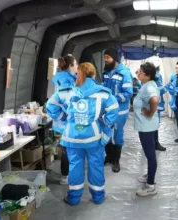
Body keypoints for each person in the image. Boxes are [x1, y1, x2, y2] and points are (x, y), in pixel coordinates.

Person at [48, 62, 119, 206]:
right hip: (94, 137)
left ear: (78, 74)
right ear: (93, 75)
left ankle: (74, 198)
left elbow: (50, 105)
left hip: (72, 137)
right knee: (96, 165)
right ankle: (98, 197)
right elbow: (114, 109)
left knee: (74, 166)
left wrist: (64, 118)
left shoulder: (66, 91)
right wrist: (104, 122)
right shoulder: (103, 92)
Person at [102, 48, 133, 173]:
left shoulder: (124, 73)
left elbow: (128, 93)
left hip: (120, 112)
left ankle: (116, 160)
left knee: (118, 135)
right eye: (105, 58)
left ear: (114, 58)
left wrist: (112, 99)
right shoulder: (106, 72)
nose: (106, 60)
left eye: (108, 57)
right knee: (106, 134)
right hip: (107, 111)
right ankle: (109, 156)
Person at [48, 55, 78, 185]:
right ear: (70, 66)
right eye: (76, 64)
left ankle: (68, 174)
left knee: (68, 148)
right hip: (65, 121)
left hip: (64, 120)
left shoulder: (66, 78)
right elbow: (66, 102)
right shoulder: (65, 81)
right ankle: (65, 176)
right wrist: (65, 117)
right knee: (67, 148)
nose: (77, 66)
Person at [133, 62, 160, 196]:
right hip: (146, 126)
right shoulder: (147, 85)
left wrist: (150, 113)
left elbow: (154, 100)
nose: (138, 73)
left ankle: (150, 185)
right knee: (149, 154)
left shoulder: (149, 87)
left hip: (147, 126)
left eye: (141, 72)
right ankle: (149, 174)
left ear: (148, 76)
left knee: (150, 156)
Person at [154, 66, 167, 151]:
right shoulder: (156, 77)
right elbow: (161, 90)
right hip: (155, 105)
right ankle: (155, 143)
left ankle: (153, 143)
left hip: (154, 104)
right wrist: (167, 87)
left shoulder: (154, 77)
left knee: (153, 124)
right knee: (154, 125)